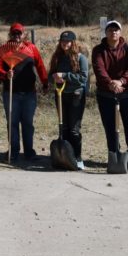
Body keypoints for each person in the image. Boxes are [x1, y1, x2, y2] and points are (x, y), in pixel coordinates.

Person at [91, 20, 128, 171]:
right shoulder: (98, 50)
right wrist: (111, 83)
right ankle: (114, 154)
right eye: (110, 30)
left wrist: (121, 81)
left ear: (120, 32)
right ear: (105, 32)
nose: (113, 32)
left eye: (116, 30)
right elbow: (99, 69)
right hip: (106, 95)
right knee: (111, 127)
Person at [0, 23, 49, 162]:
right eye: (14, 33)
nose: (16, 36)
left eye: (19, 33)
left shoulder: (31, 49)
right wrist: (5, 74)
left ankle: (29, 152)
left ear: (23, 34)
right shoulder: (3, 50)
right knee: (12, 123)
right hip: (11, 93)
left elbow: (40, 66)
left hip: (29, 93)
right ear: (10, 34)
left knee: (27, 123)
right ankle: (13, 152)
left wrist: (45, 82)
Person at [48, 30, 89, 170]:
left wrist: (65, 75)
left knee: (74, 130)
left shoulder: (80, 58)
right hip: (60, 95)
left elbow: (83, 78)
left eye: (68, 41)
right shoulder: (57, 57)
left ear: (73, 42)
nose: (65, 43)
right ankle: (65, 157)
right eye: (63, 41)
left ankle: (77, 158)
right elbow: (50, 76)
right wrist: (54, 77)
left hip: (76, 96)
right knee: (63, 127)